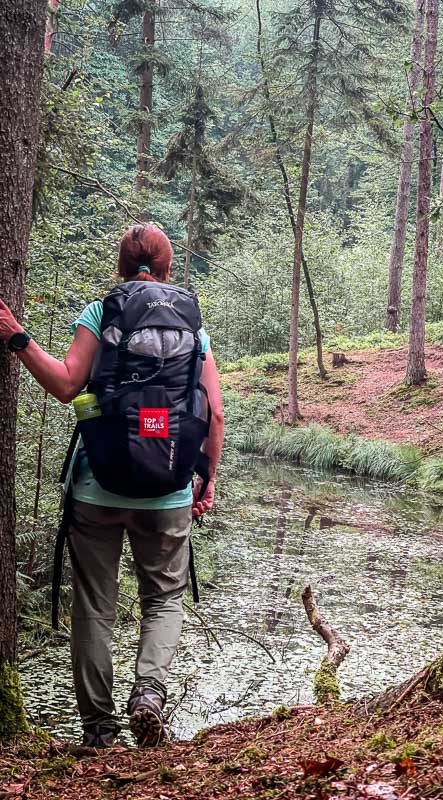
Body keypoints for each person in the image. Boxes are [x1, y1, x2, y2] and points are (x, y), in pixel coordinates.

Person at [0, 224, 225, 749]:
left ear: (121, 266)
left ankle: (99, 729)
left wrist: (18, 337)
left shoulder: (104, 313)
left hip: (97, 486)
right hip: (168, 489)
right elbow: (214, 414)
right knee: (164, 599)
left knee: (94, 606)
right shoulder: (193, 325)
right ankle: (148, 692)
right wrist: (206, 480)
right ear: (168, 267)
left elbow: (65, 384)